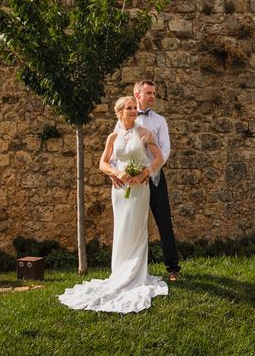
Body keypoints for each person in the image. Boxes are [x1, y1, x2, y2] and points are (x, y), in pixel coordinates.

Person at [59, 96, 168, 313]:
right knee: (121, 230)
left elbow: (159, 158)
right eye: (129, 108)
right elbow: (103, 162)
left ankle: (137, 275)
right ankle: (119, 273)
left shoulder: (145, 133)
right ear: (119, 112)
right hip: (119, 190)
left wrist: (145, 173)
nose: (133, 111)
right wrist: (116, 172)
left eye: (134, 108)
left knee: (137, 230)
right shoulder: (113, 136)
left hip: (139, 187)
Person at [111, 80, 181, 282]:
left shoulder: (160, 121)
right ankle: (130, 269)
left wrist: (148, 171)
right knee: (130, 223)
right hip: (129, 180)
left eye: (154, 93)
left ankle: (172, 268)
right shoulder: (123, 118)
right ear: (137, 94)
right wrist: (115, 173)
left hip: (154, 177)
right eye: (148, 93)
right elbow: (117, 147)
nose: (153, 96)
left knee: (163, 221)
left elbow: (165, 150)